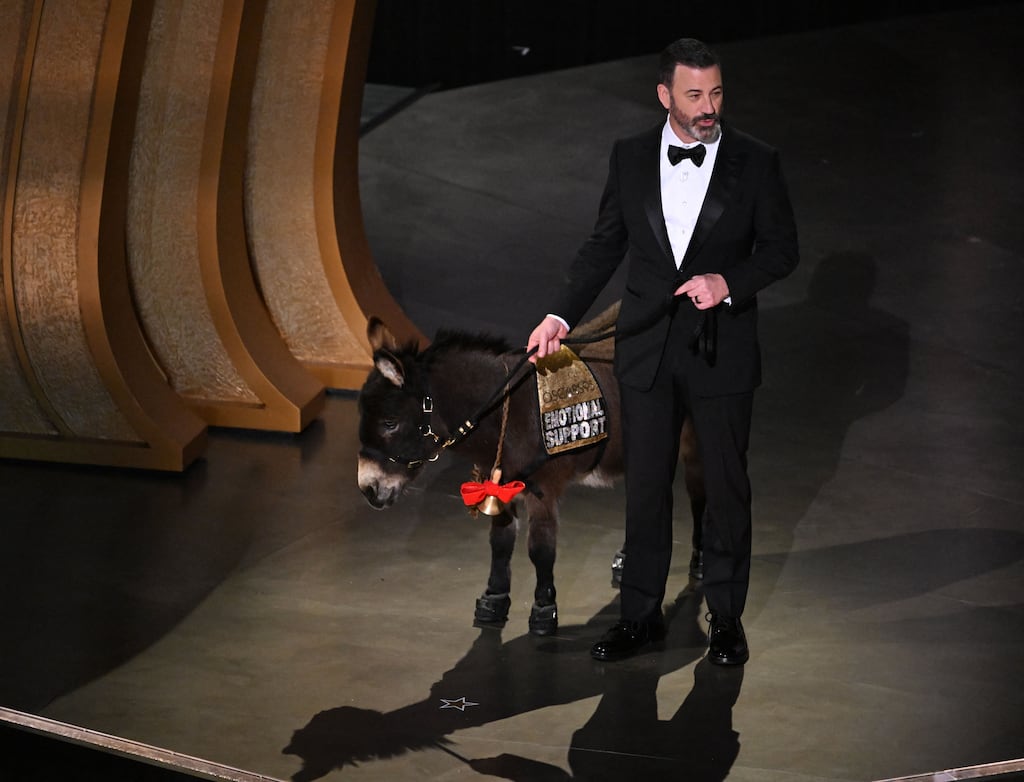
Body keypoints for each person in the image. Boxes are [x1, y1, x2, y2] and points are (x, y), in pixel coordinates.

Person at [527, 37, 798, 665]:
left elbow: (782, 250)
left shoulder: (755, 161)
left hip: (720, 350)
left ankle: (725, 620)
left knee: (727, 489)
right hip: (646, 350)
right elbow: (603, 246)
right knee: (646, 489)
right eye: (695, 95)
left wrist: (727, 283)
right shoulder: (628, 158)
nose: (709, 108)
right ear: (664, 96)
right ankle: (641, 617)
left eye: (717, 93)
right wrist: (558, 315)